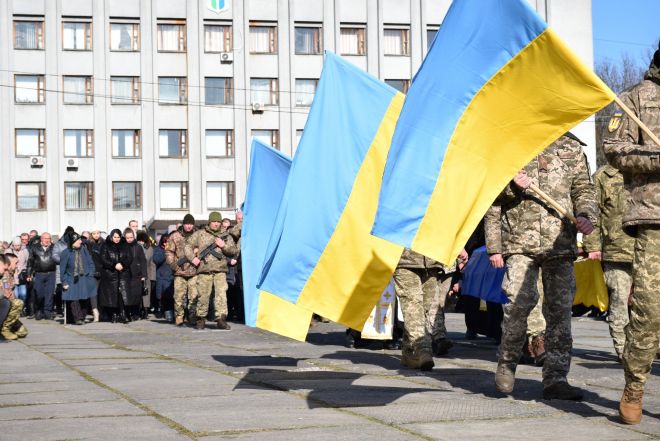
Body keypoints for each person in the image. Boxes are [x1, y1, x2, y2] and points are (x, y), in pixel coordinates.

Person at [486, 133, 596, 401]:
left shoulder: (571, 145)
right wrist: (513, 187)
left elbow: (583, 189)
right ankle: (507, 363)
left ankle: (556, 378)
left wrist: (584, 215)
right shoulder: (512, 142)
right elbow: (490, 195)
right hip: (520, 241)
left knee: (559, 312)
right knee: (517, 305)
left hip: (560, 242)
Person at [602, 42, 660, 425]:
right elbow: (614, 148)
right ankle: (635, 385)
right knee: (650, 310)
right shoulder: (637, 98)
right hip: (655, 218)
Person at [581, 162, 634, 362]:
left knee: (651, 302)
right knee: (620, 300)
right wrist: (593, 246)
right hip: (617, 250)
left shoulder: (649, 168)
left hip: (651, 250)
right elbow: (592, 213)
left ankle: (650, 346)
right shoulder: (604, 176)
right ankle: (623, 350)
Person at [394, 248, 465, 370]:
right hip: (404, 259)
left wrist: (458, 247)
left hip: (431, 260)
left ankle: (408, 352)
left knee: (424, 309)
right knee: (413, 304)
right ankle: (422, 349)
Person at [186, 212, 239, 330]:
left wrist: (223, 245)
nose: (216, 224)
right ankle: (201, 319)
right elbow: (188, 245)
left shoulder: (225, 235)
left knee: (221, 295)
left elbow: (233, 251)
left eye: (218, 222)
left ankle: (221, 319)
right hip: (204, 270)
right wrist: (192, 258)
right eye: (214, 221)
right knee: (203, 296)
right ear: (209, 222)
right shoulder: (200, 234)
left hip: (220, 270)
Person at [165, 214, 198, 327]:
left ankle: (192, 317)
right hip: (179, 271)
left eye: (191, 224)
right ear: (183, 224)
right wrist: (173, 265)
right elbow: (169, 251)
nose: (189, 226)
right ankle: (179, 317)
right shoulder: (175, 236)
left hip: (194, 271)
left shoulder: (198, 235)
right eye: (187, 224)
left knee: (194, 296)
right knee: (179, 296)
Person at [60, 232, 97, 325]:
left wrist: (91, 273)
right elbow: (62, 269)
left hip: (85, 277)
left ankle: (82, 316)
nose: (80, 241)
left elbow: (90, 262)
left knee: (84, 298)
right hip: (71, 278)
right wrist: (64, 281)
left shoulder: (84, 250)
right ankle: (78, 318)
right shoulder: (66, 253)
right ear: (72, 242)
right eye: (78, 240)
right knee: (74, 299)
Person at [98, 229, 132, 323]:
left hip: (123, 274)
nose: (116, 239)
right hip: (110, 275)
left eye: (118, 237)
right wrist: (113, 265)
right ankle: (113, 314)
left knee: (122, 295)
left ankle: (123, 314)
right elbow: (103, 258)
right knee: (112, 296)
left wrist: (123, 264)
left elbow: (129, 257)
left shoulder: (125, 245)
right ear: (111, 237)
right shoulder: (105, 245)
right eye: (115, 237)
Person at [27, 232, 57, 320]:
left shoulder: (54, 247)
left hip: (51, 273)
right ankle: (39, 310)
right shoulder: (34, 248)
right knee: (39, 293)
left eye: (48, 238)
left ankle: (48, 312)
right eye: (45, 238)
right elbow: (30, 261)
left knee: (49, 294)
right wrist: (29, 274)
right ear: (41, 239)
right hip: (39, 274)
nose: (47, 240)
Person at [0, 254, 28, 341]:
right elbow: (7, 293)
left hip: (7, 304)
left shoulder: (11, 273)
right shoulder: (4, 275)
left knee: (23, 332)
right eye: (15, 263)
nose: (17, 265)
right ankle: (5, 328)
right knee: (18, 303)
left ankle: (9, 327)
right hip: (5, 304)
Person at [123, 228, 147, 320]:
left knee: (136, 295)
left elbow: (143, 261)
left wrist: (144, 275)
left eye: (131, 237)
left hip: (137, 275)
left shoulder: (138, 247)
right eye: (127, 237)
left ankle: (135, 313)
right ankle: (127, 313)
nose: (129, 239)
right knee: (127, 295)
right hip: (125, 274)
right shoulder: (122, 246)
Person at [153, 234, 174, 320]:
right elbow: (156, 260)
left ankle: (169, 313)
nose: (166, 244)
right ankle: (161, 310)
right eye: (164, 242)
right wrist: (165, 252)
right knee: (160, 296)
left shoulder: (174, 249)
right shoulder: (158, 249)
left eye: (167, 242)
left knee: (170, 296)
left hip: (171, 276)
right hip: (161, 276)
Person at [86, 229, 104, 322]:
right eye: (94, 233)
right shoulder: (88, 244)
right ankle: (95, 312)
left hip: (103, 271)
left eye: (98, 233)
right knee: (93, 293)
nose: (96, 235)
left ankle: (101, 313)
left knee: (101, 293)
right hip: (93, 272)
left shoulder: (104, 243)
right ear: (91, 234)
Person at [137, 231, 156, 316]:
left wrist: (153, 278)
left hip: (147, 274)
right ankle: (137, 309)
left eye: (142, 241)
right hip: (136, 274)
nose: (141, 242)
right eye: (139, 241)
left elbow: (152, 264)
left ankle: (145, 310)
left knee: (146, 293)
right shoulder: (134, 248)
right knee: (137, 293)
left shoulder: (150, 249)